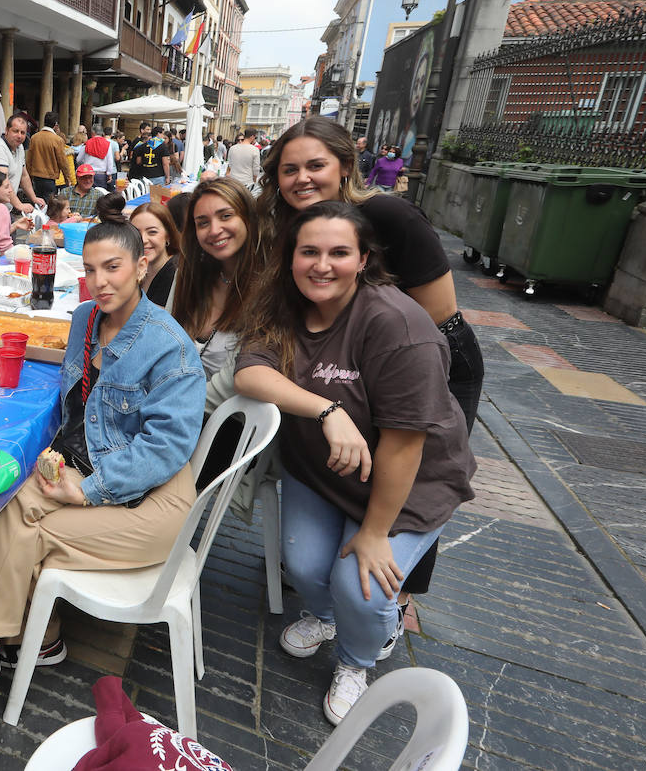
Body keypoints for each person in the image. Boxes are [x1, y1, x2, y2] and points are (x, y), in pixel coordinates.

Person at [234, 201, 476, 724]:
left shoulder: (397, 323)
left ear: (364, 259)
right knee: (303, 564)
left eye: (339, 252)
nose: (323, 265)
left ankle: (356, 658)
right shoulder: (281, 303)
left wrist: (374, 532)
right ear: (290, 257)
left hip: (408, 483)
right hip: (323, 473)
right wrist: (326, 409)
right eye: (310, 252)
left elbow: (407, 442)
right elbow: (251, 370)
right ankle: (325, 618)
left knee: (361, 588)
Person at [0, 193, 204, 679]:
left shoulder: (171, 348)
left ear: (141, 264)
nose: (100, 282)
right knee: (8, 503)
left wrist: (85, 491)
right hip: (95, 459)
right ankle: (32, 638)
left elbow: (165, 449)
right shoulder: (85, 318)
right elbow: (81, 404)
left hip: (157, 500)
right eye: (90, 269)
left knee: (30, 533)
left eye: (113, 267)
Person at [258, 115, 484, 646]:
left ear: (345, 166)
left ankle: (386, 611)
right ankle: (341, 596)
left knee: (402, 486)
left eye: (316, 165)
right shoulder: (293, 229)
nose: (301, 179)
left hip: (430, 356)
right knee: (328, 528)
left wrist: (371, 346)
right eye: (289, 169)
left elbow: (434, 318)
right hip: (342, 367)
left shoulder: (387, 215)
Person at [169, 178, 264, 418]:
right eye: (203, 223)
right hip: (173, 412)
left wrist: (165, 409)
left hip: (226, 426)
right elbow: (165, 340)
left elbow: (230, 385)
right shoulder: (189, 273)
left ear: (248, 218)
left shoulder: (265, 289)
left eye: (225, 216)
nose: (214, 230)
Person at [0, 113, 42, 214]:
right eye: (15, 131)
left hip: (5, 210)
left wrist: (34, 198)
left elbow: (24, 176)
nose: (19, 136)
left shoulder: (19, 147)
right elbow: (3, 179)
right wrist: (19, 205)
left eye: (23, 132)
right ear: (7, 130)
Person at [129, 200, 180, 307]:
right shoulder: (135, 269)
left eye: (152, 232)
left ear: (168, 236)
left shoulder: (177, 275)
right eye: (136, 232)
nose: (143, 239)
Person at [25, 111, 76, 201]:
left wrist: (28, 176)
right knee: (49, 205)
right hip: (49, 178)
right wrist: (67, 177)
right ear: (56, 125)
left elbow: (29, 159)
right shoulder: (57, 140)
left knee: (37, 203)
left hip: (36, 177)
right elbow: (62, 161)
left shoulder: (34, 137)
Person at [81, 124, 116, 189]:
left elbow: (79, 159)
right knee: (100, 196)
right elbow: (110, 160)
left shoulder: (87, 143)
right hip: (101, 175)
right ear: (102, 133)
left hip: (87, 173)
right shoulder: (107, 144)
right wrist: (109, 173)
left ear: (93, 132)